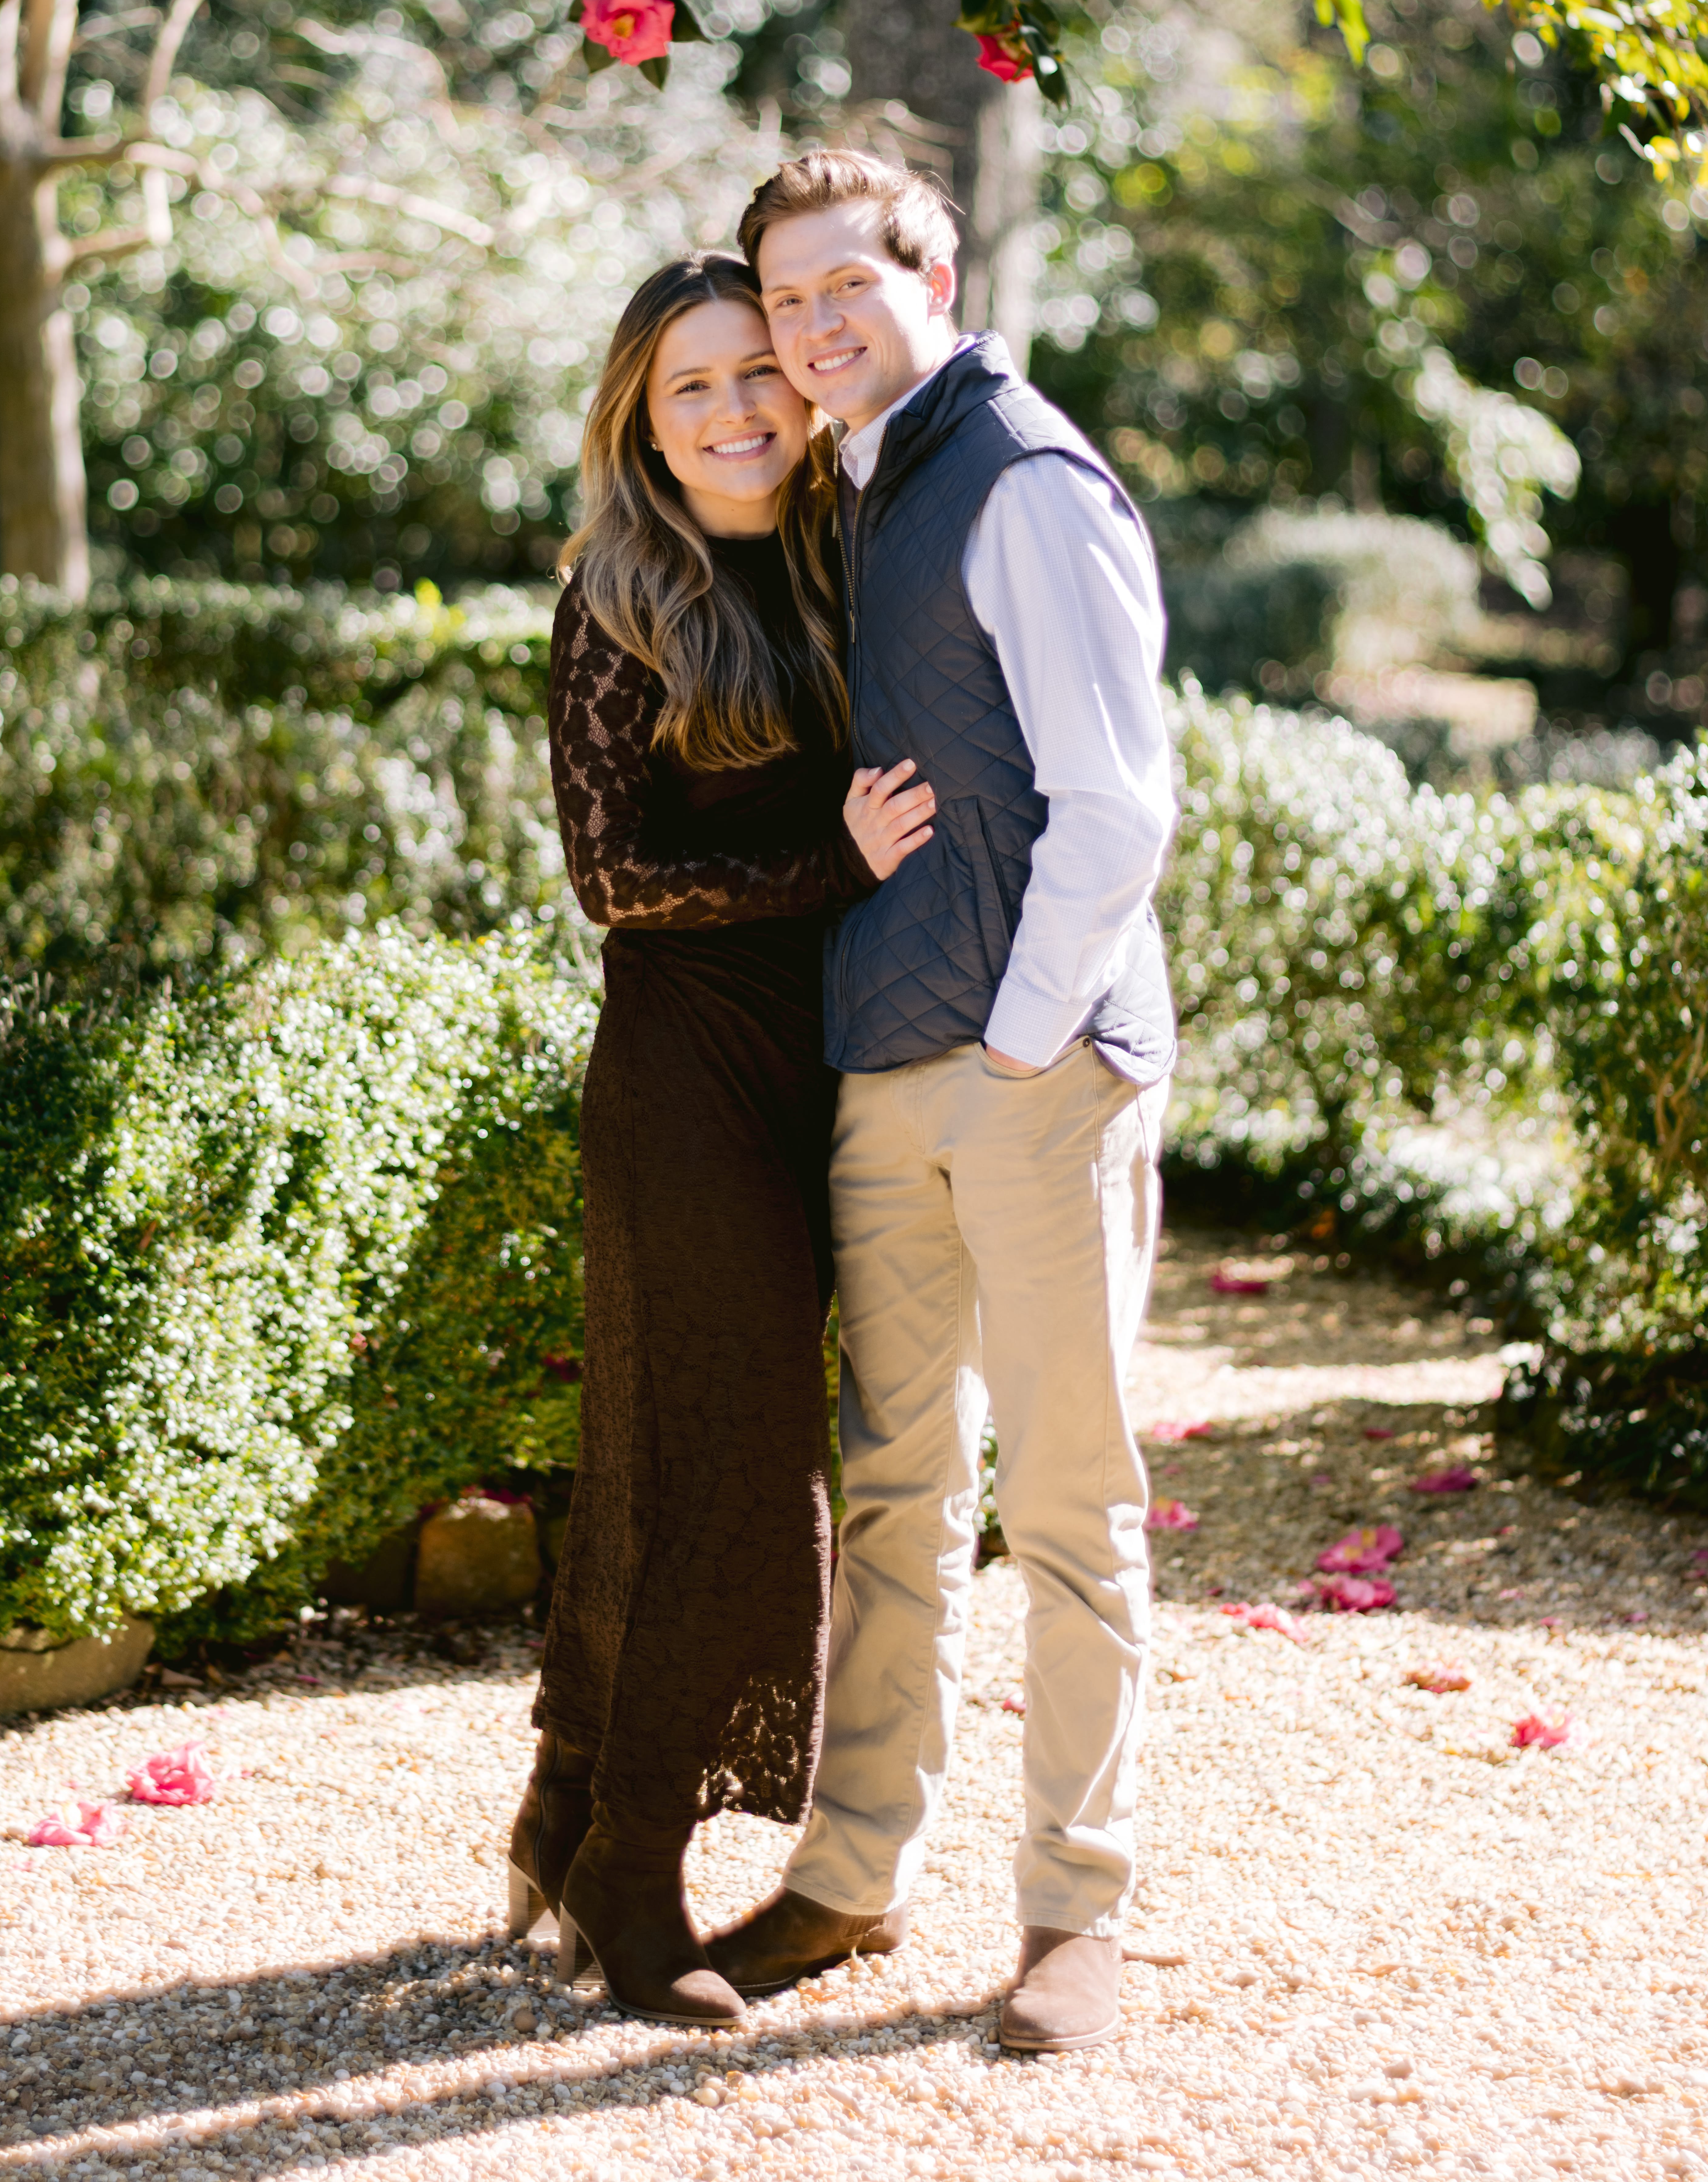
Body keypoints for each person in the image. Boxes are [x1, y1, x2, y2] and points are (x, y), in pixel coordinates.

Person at [708, 151, 1178, 2056]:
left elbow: (1121, 802)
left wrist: (1018, 1044)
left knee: (1068, 1506)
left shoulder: (1030, 481)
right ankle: (848, 1876)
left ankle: (1079, 1917)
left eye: (844, 287)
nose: (812, 327)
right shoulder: (864, 475)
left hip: (1029, 1071)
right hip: (888, 1062)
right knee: (896, 1493)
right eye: (787, 298)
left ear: (935, 270)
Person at [511, 248, 934, 2027]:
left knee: (671, 1459)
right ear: (641, 415)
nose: (737, 408)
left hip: (822, 1069)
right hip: (685, 1081)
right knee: (739, 1471)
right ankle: (633, 1870)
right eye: (691, 386)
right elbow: (611, 878)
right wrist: (824, 870)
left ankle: (561, 1798)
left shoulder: (847, 560)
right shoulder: (620, 593)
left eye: (757, 372)